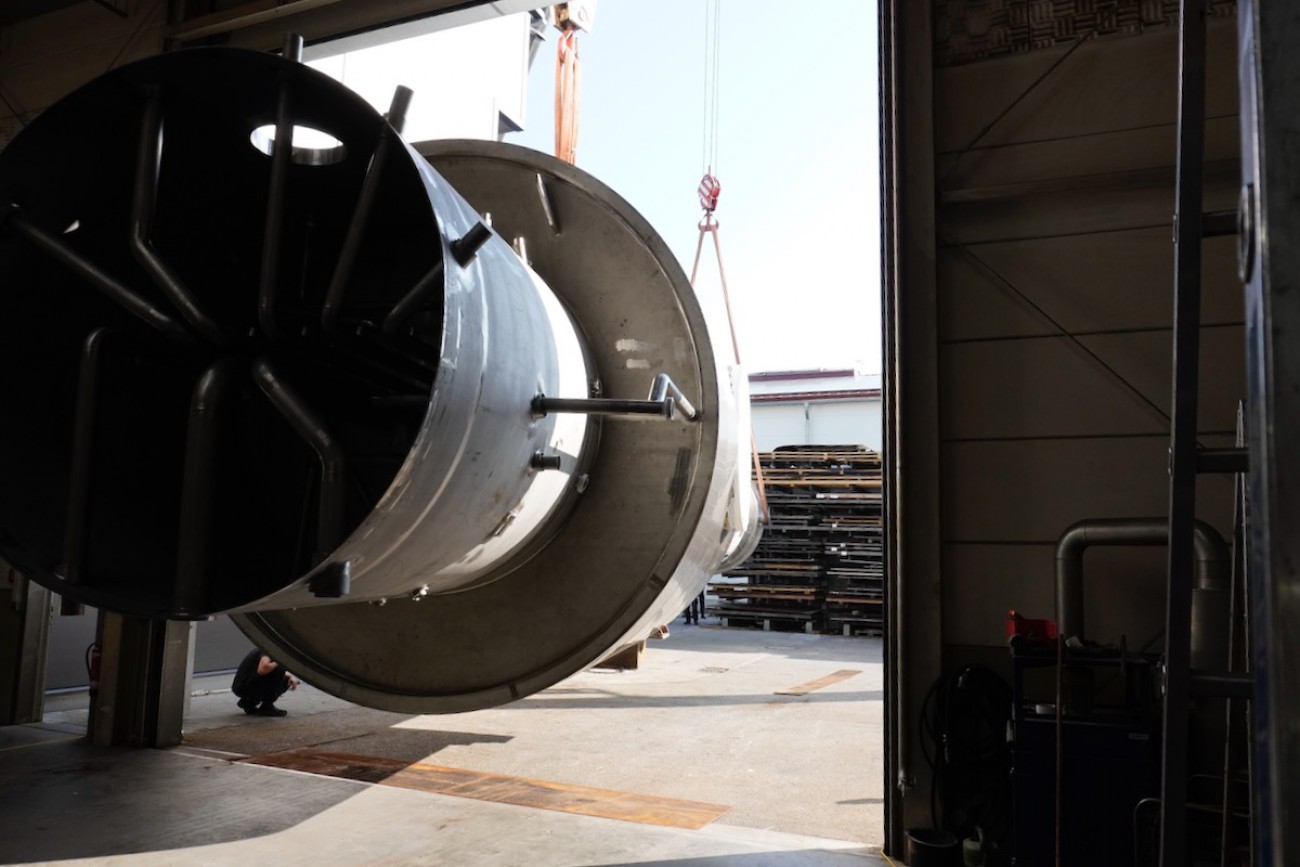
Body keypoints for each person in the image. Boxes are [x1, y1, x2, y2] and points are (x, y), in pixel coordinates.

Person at [232, 648, 299, 717]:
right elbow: (263, 669)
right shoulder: (270, 649)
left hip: (241, 687)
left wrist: (290, 676)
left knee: (283, 673)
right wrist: (280, 661)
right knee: (281, 667)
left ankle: (249, 702)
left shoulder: (265, 648)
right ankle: (267, 706)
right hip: (246, 687)